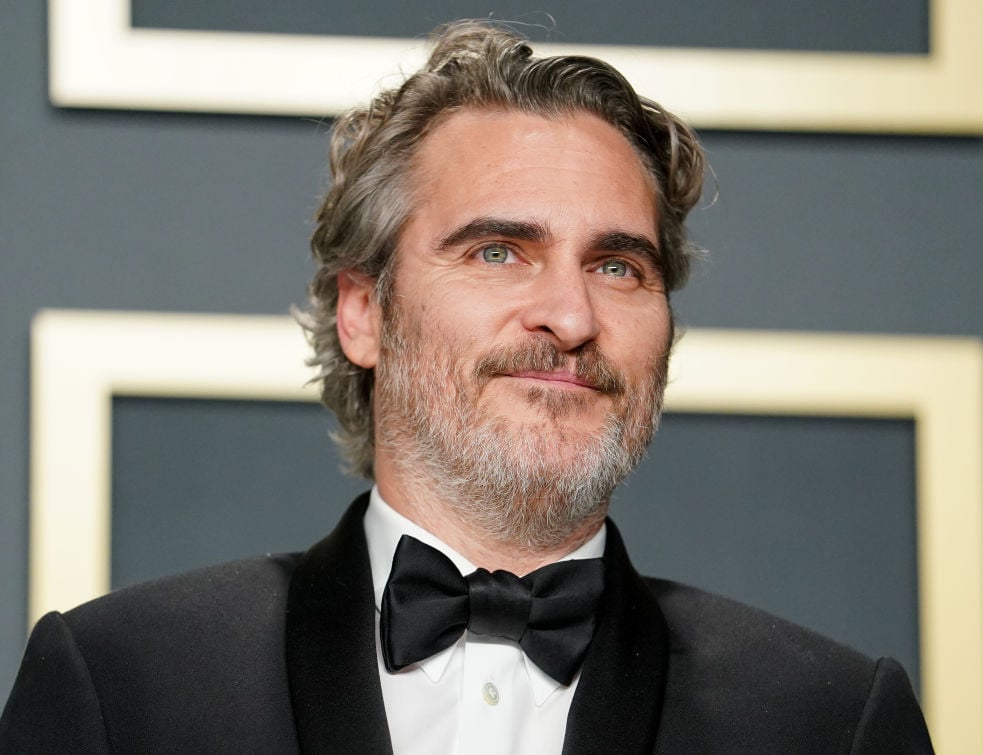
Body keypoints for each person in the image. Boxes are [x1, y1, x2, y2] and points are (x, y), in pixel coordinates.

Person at [1, 20, 932, 753]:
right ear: (362, 312)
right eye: (499, 251)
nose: (569, 317)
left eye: (618, 267)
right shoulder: (120, 688)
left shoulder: (831, 721)